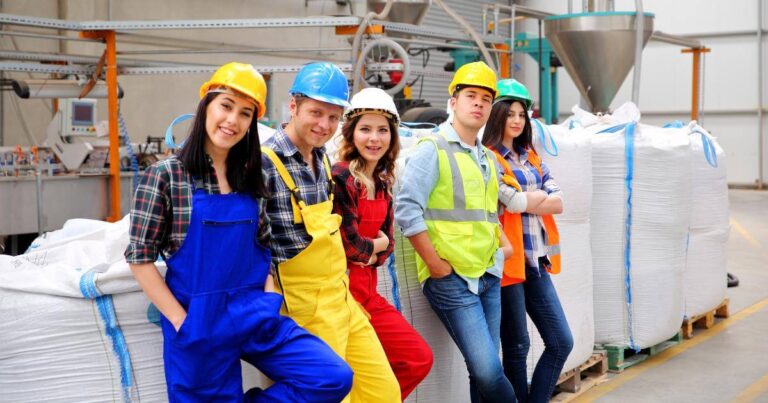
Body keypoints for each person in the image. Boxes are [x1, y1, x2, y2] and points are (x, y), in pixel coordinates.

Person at [125, 62, 353, 402]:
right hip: (199, 322)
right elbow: (140, 257)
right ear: (206, 106)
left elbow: (263, 243)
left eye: (245, 113)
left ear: (252, 124)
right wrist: (180, 321)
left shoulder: (251, 175)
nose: (233, 120)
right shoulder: (166, 176)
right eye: (226, 106)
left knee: (331, 377)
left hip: (254, 312)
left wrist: (269, 296)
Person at [261, 62, 401, 402]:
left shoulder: (322, 160)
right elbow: (253, 244)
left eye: (333, 117)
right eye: (316, 112)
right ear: (293, 106)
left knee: (384, 392)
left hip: (341, 299)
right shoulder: (264, 163)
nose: (324, 125)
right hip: (304, 307)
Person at [395, 61, 530, 403]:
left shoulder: (484, 156)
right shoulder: (432, 148)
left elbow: (487, 213)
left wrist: (502, 251)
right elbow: (407, 210)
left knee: (480, 372)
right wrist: (435, 265)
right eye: (470, 95)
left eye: (486, 98)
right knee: (488, 370)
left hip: (487, 272)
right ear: (453, 101)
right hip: (451, 278)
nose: (479, 103)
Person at [332, 87, 434, 400]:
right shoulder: (340, 178)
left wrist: (375, 249)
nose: (374, 138)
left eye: (382, 130)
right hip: (340, 296)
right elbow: (351, 248)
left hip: (368, 292)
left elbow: (387, 247)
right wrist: (375, 247)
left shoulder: (384, 180)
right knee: (342, 375)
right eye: (365, 129)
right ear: (350, 134)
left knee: (418, 358)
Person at [481, 78, 573, 403]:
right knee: (517, 347)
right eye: (511, 113)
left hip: (536, 262)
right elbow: (512, 203)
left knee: (561, 341)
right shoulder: (490, 157)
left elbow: (558, 201)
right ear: (497, 115)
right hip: (508, 264)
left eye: (522, 114)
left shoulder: (529, 156)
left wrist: (526, 198)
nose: (518, 120)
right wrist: (535, 198)